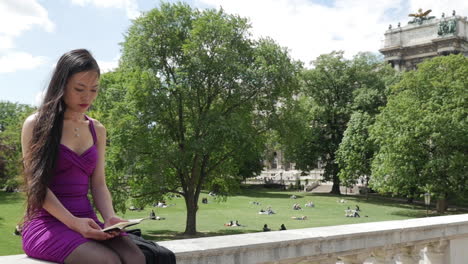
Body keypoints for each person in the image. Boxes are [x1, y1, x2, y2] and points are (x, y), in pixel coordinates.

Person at [20, 49, 145, 264]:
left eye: (94, 89)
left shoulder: (97, 129)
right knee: (106, 261)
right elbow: (36, 187)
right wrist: (74, 223)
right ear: (62, 85)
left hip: (89, 221)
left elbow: (98, 184)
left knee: (135, 257)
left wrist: (109, 217)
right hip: (47, 222)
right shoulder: (36, 125)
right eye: (79, 88)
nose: (87, 96)